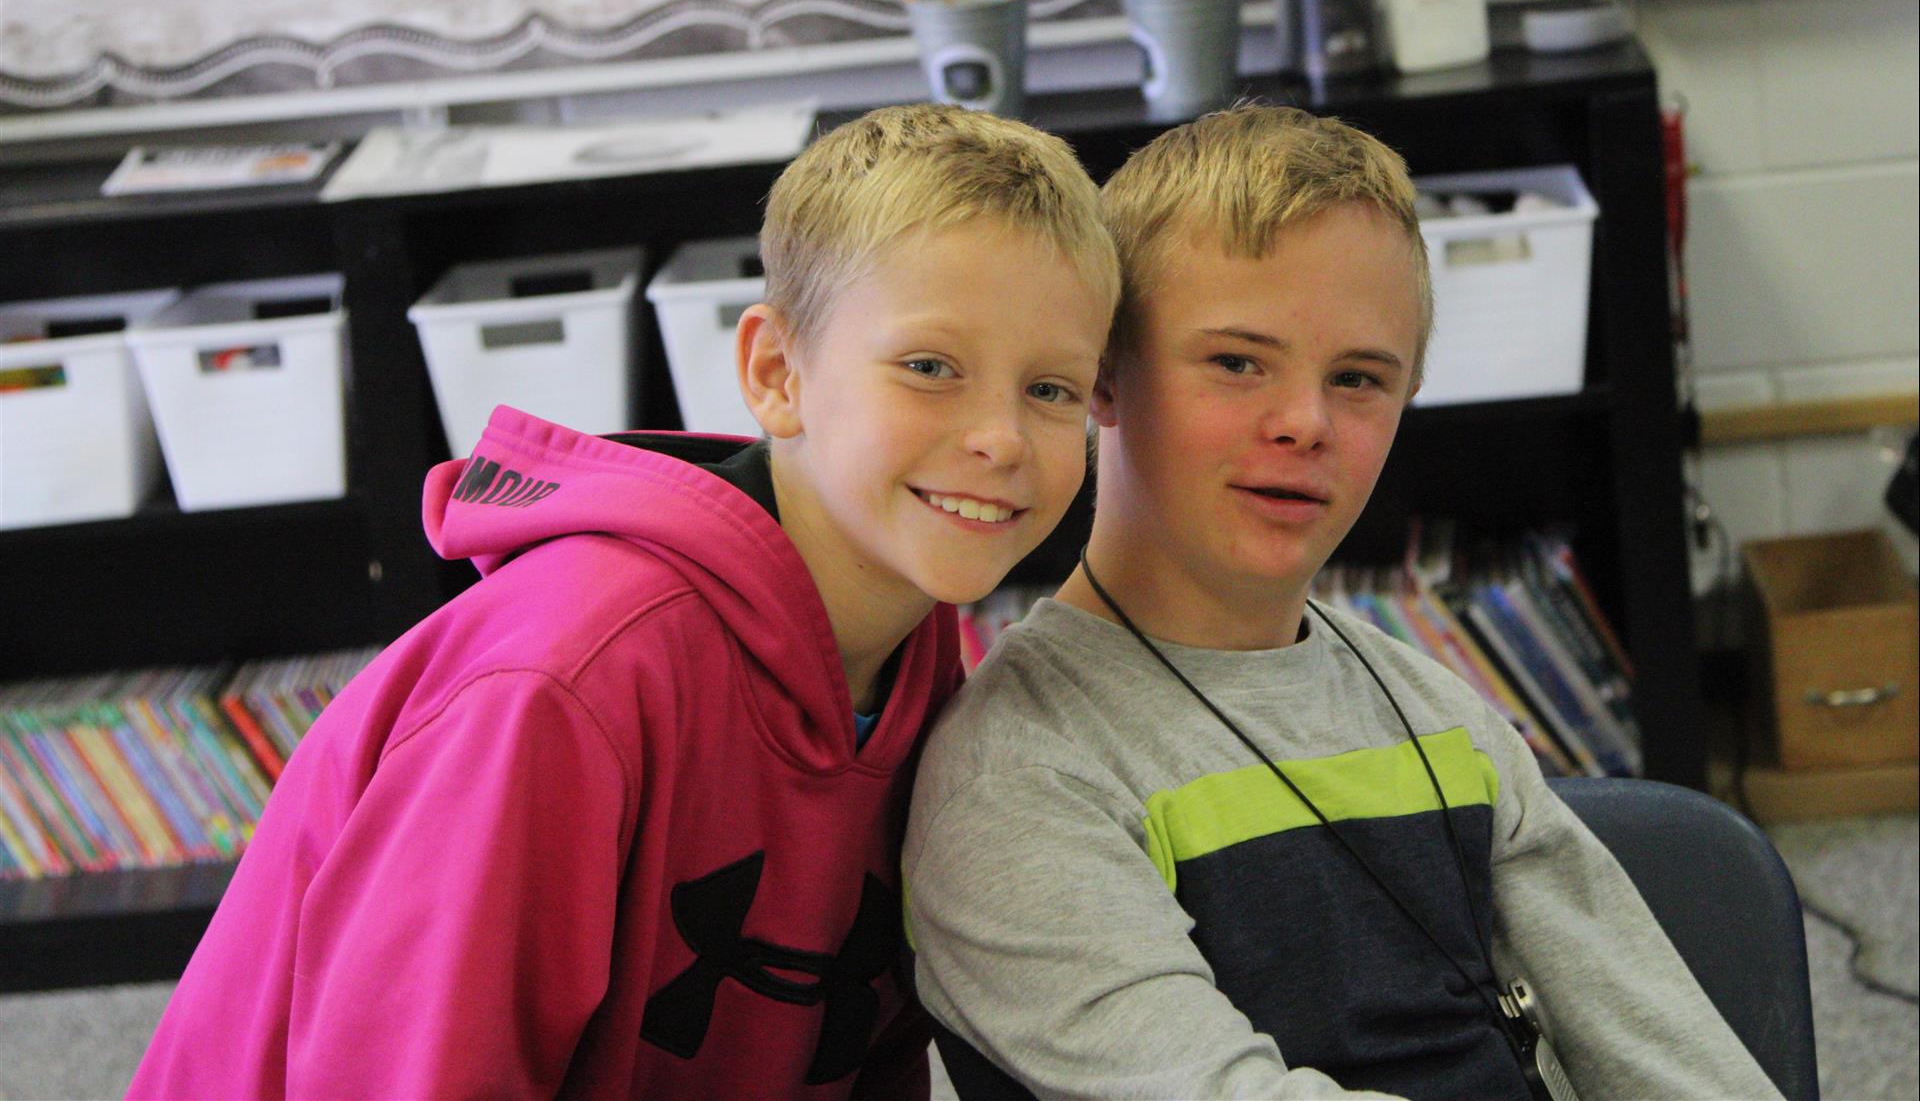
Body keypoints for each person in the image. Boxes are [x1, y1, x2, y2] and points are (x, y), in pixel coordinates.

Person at [128, 103, 1119, 1100]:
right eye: (930, 368)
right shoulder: (565, 678)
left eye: (1052, 389)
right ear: (777, 373)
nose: (1001, 438)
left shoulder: (916, 645)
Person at [903, 104, 1781, 1100]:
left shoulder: (1439, 715)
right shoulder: (1017, 775)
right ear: (1102, 376)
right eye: (1237, 361)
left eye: (1359, 378)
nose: (1305, 422)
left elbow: (1661, 1047)